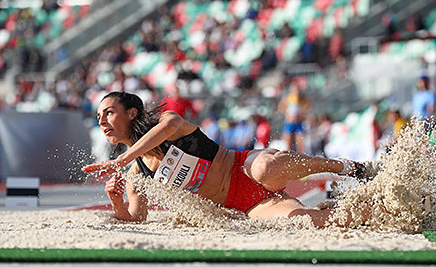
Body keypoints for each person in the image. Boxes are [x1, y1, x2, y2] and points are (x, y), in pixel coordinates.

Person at [82, 91, 378, 228]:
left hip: (246, 169)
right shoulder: (137, 173)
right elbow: (136, 217)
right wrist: (117, 202)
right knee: (303, 222)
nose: (102, 120)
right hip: (246, 205)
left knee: (267, 167)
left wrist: (120, 160)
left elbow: (168, 129)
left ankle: (346, 167)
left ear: (132, 112)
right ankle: (382, 211)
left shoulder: (168, 121)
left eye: (107, 112)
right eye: (97, 117)